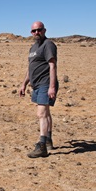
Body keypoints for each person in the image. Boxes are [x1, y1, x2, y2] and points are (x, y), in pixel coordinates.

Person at [20, 21, 59, 158]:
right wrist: (24, 84)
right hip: (36, 84)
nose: (37, 32)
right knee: (46, 113)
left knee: (41, 114)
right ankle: (48, 139)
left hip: (46, 84)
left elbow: (52, 66)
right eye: (34, 31)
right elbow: (30, 68)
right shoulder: (33, 47)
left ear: (44, 30)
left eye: (39, 30)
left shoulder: (48, 45)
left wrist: (52, 87)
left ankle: (42, 146)